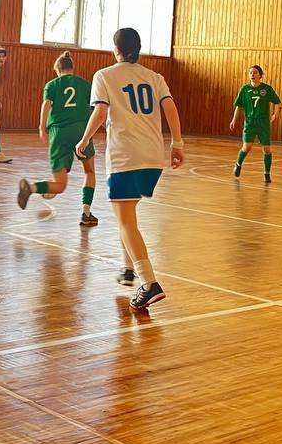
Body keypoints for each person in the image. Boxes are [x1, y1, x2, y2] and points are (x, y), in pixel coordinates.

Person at [75, 27, 184, 311]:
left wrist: (84, 140)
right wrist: (177, 143)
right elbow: (170, 108)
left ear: (116, 50)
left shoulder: (104, 76)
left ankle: (149, 283)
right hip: (153, 157)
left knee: (125, 221)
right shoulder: (154, 77)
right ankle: (128, 268)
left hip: (125, 156)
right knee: (127, 216)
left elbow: (100, 112)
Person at [17, 51, 99, 226]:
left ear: (57, 69)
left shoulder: (52, 85)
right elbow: (95, 107)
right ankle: (86, 213)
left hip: (59, 133)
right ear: (72, 68)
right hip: (81, 130)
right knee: (89, 171)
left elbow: (46, 104)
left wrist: (42, 127)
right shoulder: (85, 84)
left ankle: (31, 188)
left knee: (60, 184)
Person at [230, 64, 282, 183]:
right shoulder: (245, 89)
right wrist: (234, 119)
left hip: (263, 122)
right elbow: (239, 106)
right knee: (247, 147)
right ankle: (238, 165)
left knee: (267, 149)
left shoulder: (266, 89)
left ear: (260, 75)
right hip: (250, 122)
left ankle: (267, 174)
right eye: (250, 73)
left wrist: (275, 114)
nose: (252, 74)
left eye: (254, 72)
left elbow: (278, 102)